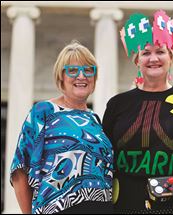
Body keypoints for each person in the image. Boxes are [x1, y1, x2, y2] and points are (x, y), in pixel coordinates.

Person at [102, 10, 173, 214]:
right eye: (146, 53)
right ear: (137, 60)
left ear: (170, 57)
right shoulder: (117, 104)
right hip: (125, 204)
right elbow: (105, 154)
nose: (153, 58)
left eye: (160, 51)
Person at [10, 40, 113, 214]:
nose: (81, 76)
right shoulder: (43, 112)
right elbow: (19, 170)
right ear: (61, 77)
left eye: (88, 70)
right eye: (72, 70)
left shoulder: (95, 119)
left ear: (94, 78)